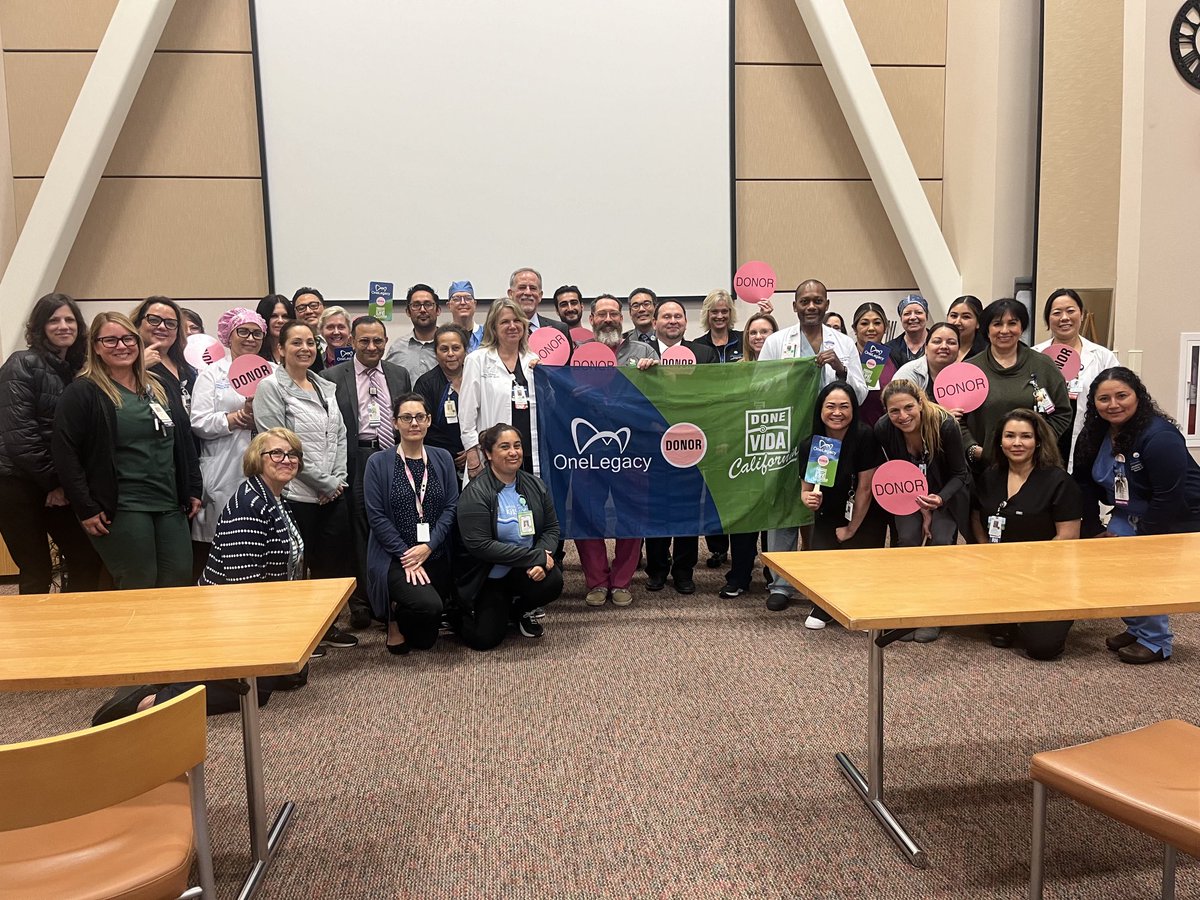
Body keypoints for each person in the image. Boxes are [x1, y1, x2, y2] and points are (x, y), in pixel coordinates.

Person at [91, 428, 315, 724]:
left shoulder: (275, 499)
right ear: (256, 459)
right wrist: (271, 636)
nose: (286, 459)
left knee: (292, 675)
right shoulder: (250, 506)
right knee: (255, 694)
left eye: (292, 454)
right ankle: (153, 700)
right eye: (276, 453)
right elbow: (242, 589)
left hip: (260, 612)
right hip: (229, 618)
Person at [52, 312, 201, 590]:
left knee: (179, 579)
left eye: (128, 339)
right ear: (95, 346)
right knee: (139, 581)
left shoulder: (158, 386)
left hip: (169, 502)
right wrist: (85, 507)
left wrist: (193, 487)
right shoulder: (84, 392)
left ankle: (167, 636)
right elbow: (65, 453)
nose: (121, 346)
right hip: (122, 506)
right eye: (110, 340)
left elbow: (182, 439)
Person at [1073, 367, 1200, 664]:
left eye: (1122, 396)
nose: (1113, 404)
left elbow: (1168, 495)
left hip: (1176, 513)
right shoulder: (1094, 433)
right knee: (1116, 570)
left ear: (1138, 396)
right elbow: (1083, 483)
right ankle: (1138, 627)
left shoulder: (1160, 436)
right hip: (1128, 509)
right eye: (1104, 398)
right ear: (1094, 403)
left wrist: (1145, 540)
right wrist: (1092, 528)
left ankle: (1156, 642)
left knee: (1145, 572)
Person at [758, 279, 866, 611]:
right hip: (788, 436)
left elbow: (860, 393)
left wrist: (839, 368)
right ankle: (780, 582)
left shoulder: (844, 343)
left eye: (817, 301)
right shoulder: (777, 342)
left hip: (828, 438)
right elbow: (759, 389)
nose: (811, 306)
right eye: (804, 301)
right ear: (794, 306)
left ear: (827, 304)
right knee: (785, 502)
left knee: (823, 502)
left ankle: (822, 575)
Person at [253, 320, 358, 649]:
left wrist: (336, 481)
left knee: (331, 565)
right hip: (295, 493)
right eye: (296, 343)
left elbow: (340, 435)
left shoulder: (325, 385)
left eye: (310, 343)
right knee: (294, 567)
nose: (305, 349)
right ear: (280, 349)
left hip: (331, 492)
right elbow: (279, 447)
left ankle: (324, 628)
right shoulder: (271, 388)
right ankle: (296, 636)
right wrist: (324, 482)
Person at [0, 293, 103, 593]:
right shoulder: (21, 364)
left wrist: (64, 484)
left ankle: (74, 632)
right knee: (36, 570)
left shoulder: (77, 371)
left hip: (57, 483)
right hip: (17, 484)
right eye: (54, 320)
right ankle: (35, 639)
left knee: (85, 558)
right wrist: (54, 485)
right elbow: (21, 438)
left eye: (69, 319)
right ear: (40, 327)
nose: (63, 326)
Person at [321, 315, 412, 628]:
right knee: (360, 529)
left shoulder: (399, 374)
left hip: (393, 457)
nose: (372, 346)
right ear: (352, 342)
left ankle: (394, 594)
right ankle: (363, 602)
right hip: (358, 457)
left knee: (398, 522)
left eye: (378, 340)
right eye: (364, 341)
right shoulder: (332, 377)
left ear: (386, 342)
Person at [970, 410, 1081, 660]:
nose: (1017, 443)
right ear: (1000, 441)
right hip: (1000, 574)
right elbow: (977, 516)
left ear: (1038, 441)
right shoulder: (990, 476)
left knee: (1043, 648)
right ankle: (1010, 614)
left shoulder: (1058, 481)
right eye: (1010, 436)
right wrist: (985, 546)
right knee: (997, 634)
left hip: (1045, 577)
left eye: (1025, 436)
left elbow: (1068, 537)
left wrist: (1030, 570)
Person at [575, 296, 657, 607]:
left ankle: (622, 581)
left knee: (631, 515)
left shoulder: (644, 352)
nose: (608, 319)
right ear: (591, 318)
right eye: (602, 314)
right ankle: (596, 581)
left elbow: (660, 397)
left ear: (621, 318)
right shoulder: (579, 354)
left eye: (614, 313)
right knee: (587, 514)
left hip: (632, 449)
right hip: (588, 451)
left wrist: (654, 372)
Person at [874, 379, 971, 641]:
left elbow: (960, 474)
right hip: (908, 494)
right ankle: (906, 610)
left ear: (920, 403)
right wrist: (921, 509)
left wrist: (937, 502)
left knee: (940, 541)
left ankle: (934, 611)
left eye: (908, 407)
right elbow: (897, 472)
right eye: (894, 411)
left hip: (945, 491)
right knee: (906, 539)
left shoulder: (945, 424)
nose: (902, 416)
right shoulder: (884, 429)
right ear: (886, 412)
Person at [364, 394, 459, 654]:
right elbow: (376, 516)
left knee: (425, 640)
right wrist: (407, 555)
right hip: (396, 557)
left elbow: (451, 507)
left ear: (428, 421)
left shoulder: (442, 458)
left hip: (434, 551)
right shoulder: (378, 462)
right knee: (429, 607)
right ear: (395, 423)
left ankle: (404, 610)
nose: (413, 423)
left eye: (420, 417)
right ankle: (393, 615)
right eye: (406, 417)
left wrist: (428, 547)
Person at [454, 424, 562, 650]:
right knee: (483, 640)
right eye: (505, 447)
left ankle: (519, 610)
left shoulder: (535, 484)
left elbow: (551, 528)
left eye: (517, 446)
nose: (514, 452)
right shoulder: (475, 493)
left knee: (553, 582)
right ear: (489, 454)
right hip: (488, 577)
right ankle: (459, 608)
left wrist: (541, 558)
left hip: (521, 571)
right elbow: (481, 546)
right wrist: (535, 557)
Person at [189, 308, 270, 579]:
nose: (250, 338)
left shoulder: (273, 373)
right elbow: (198, 422)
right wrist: (235, 419)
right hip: (222, 469)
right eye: (243, 331)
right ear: (228, 335)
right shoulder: (211, 374)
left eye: (256, 333)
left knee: (259, 544)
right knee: (219, 548)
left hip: (265, 468)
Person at [800, 381, 887, 629]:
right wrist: (808, 499)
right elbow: (805, 491)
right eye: (830, 406)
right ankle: (825, 606)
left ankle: (863, 606)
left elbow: (865, 488)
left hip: (864, 513)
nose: (837, 412)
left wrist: (851, 529)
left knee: (859, 563)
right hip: (830, 513)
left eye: (844, 406)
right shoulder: (811, 445)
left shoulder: (865, 436)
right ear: (820, 410)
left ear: (853, 410)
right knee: (824, 563)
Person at [644, 299, 717, 594]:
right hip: (653, 443)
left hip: (692, 443)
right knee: (655, 508)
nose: (672, 321)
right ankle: (657, 569)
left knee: (689, 509)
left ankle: (684, 571)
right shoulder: (644, 356)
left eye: (678, 316)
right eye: (666, 316)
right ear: (655, 323)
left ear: (686, 323)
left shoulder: (705, 354)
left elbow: (715, 396)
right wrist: (645, 371)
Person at [961, 299, 1071, 471]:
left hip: (1035, 467)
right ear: (987, 329)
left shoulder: (1043, 366)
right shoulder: (969, 369)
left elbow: (1062, 413)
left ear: (1022, 327)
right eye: (997, 324)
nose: (1005, 330)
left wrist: (1039, 442)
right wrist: (973, 449)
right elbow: (956, 419)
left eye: (1012, 323)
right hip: (985, 468)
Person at [719, 313, 779, 598]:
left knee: (772, 516)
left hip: (776, 451)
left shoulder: (787, 370)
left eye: (765, 331)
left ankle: (774, 573)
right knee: (742, 517)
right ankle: (739, 575)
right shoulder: (735, 370)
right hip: (741, 453)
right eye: (753, 332)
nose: (758, 337)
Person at [1032, 288, 1120, 470]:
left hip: (1089, 440)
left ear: (1081, 314)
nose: (1064, 318)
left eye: (1070, 311)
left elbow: (1117, 394)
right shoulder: (1034, 356)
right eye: (1056, 313)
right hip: (1044, 437)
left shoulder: (1102, 356)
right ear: (1048, 319)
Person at [459, 299, 540, 480]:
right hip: (491, 456)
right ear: (493, 328)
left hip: (527, 454)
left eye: (517, 320)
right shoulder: (477, 360)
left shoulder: (534, 360)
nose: (512, 326)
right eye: (504, 322)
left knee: (526, 506)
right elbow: (466, 416)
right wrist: (473, 460)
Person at [415, 324, 470, 472]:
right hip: (438, 460)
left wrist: (473, 448)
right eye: (444, 349)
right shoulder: (425, 384)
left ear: (465, 350)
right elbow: (424, 426)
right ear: (436, 353)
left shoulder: (477, 380)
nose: (450, 354)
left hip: (477, 455)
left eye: (456, 348)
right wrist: (452, 454)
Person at [131, 296, 197, 414]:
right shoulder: (125, 363)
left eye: (170, 323)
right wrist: (138, 367)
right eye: (154, 320)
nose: (162, 327)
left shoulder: (186, 365)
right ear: (137, 324)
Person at [849, 302, 897, 426]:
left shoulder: (896, 357)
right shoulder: (846, 357)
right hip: (855, 431)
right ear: (855, 328)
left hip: (889, 430)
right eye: (864, 323)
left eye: (877, 323)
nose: (871, 328)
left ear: (885, 327)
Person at [385, 284, 440, 382]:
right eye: (416, 305)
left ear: (438, 310)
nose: (422, 310)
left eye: (428, 304)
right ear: (408, 312)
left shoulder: (449, 347)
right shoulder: (397, 348)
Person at [893, 322, 962, 397]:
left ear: (959, 349)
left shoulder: (966, 376)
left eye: (951, 343)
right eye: (937, 342)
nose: (944, 346)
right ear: (926, 347)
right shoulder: (908, 373)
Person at [507, 266, 572, 344]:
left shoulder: (559, 330)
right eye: (522, 287)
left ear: (540, 295)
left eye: (533, 288)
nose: (528, 293)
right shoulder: (501, 331)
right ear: (510, 294)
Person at [694, 288, 743, 363]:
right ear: (707, 314)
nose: (720, 316)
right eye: (714, 311)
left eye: (724, 311)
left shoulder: (743, 340)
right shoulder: (697, 345)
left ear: (730, 313)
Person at [885, 294, 929, 366]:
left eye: (918, 312)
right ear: (901, 318)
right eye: (907, 314)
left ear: (926, 317)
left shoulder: (939, 344)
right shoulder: (889, 349)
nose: (912, 317)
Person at [292, 287, 326, 372]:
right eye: (301, 308)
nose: (308, 311)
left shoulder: (338, 338)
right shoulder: (291, 344)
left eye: (314, 306)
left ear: (324, 308)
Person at [256, 294, 294, 364]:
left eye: (285, 316)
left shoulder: (298, 349)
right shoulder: (255, 351)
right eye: (274, 316)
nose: (280, 320)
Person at [447, 280, 484, 351]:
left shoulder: (486, 334)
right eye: (456, 299)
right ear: (449, 306)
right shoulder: (444, 335)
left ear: (475, 304)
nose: (463, 302)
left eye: (468, 298)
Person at [947, 295, 987, 359]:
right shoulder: (939, 348)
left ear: (978, 322)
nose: (957, 322)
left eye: (966, 317)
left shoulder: (986, 353)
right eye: (954, 316)